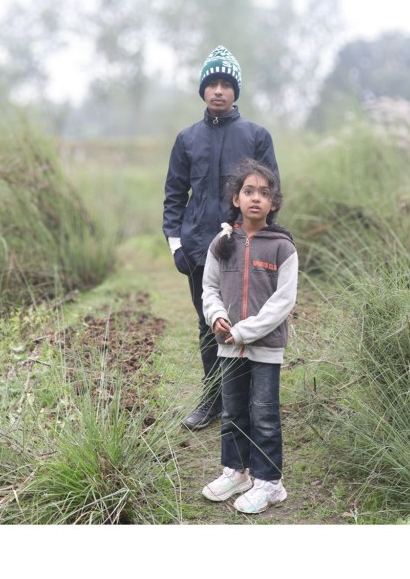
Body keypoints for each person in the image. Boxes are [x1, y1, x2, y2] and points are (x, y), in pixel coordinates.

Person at [162, 45, 280, 430]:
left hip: (244, 245)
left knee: (247, 320)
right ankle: (212, 400)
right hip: (198, 247)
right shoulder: (187, 139)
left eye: (226, 84)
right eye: (211, 84)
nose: (218, 90)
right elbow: (174, 194)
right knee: (207, 322)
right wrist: (177, 245)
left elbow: (270, 192)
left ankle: (247, 401)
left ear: (235, 91)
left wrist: (263, 240)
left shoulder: (256, 136)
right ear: (202, 90)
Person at [199, 158, 297, 514]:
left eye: (264, 193)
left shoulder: (282, 247)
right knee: (232, 411)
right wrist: (217, 317)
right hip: (229, 348)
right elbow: (209, 288)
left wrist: (243, 331)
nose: (256, 198)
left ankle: (269, 483)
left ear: (273, 203)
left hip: (265, 348)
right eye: (249, 191)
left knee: (264, 414)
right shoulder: (221, 242)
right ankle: (236, 471)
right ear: (236, 199)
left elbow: (283, 301)